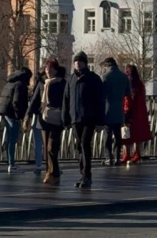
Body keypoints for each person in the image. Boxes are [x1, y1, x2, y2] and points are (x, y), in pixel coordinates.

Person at [63, 52, 103, 188]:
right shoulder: (71, 79)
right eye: (75, 62)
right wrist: (66, 118)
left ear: (85, 63)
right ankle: (82, 174)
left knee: (85, 144)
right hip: (75, 118)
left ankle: (87, 175)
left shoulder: (93, 79)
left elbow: (100, 101)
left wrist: (99, 121)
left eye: (80, 62)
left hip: (89, 118)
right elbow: (66, 100)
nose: (77, 64)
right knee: (79, 146)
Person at [0, 68, 31, 173]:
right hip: (12, 113)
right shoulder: (20, 85)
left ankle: (10, 162)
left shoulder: (10, 81)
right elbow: (17, 101)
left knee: (10, 137)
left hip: (4, 111)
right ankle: (11, 164)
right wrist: (19, 116)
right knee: (13, 138)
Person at [38, 60, 67, 185]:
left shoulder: (62, 83)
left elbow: (66, 101)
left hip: (56, 118)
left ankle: (54, 172)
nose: (48, 72)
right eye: (46, 69)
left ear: (56, 70)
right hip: (44, 118)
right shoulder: (43, 83)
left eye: (50, 69)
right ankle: (50, 172)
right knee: (46, 148)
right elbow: (35, 99)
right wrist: (28, 115)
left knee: (52, 147)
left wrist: (66, 118)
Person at [98, 58, 130, 166]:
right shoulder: (124, 77)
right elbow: (128, 93)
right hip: (119, 111)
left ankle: (108, 158)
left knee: (107, 136)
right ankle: (117, 158)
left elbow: (101, 95)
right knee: (118, 136)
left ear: (107, 66)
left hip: (107, 110)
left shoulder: (104, 77)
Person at [121, 64, 152, 164]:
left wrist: (125, 112)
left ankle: (127, 154)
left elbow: (127, 100)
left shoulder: (128, 83)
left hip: (130, 113)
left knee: (126, 134)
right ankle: (137, 153)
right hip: (140, 113)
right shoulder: (140, 84)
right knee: (137, 134)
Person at [25, 72, 45, 175]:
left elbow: (33, 102)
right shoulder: (57, 82)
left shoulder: (39, 85)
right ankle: (52, 165)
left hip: (39, 116)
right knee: (50, 142)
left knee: (38, 142)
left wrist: (28, 115)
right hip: (50, 116)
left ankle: (38, 165)